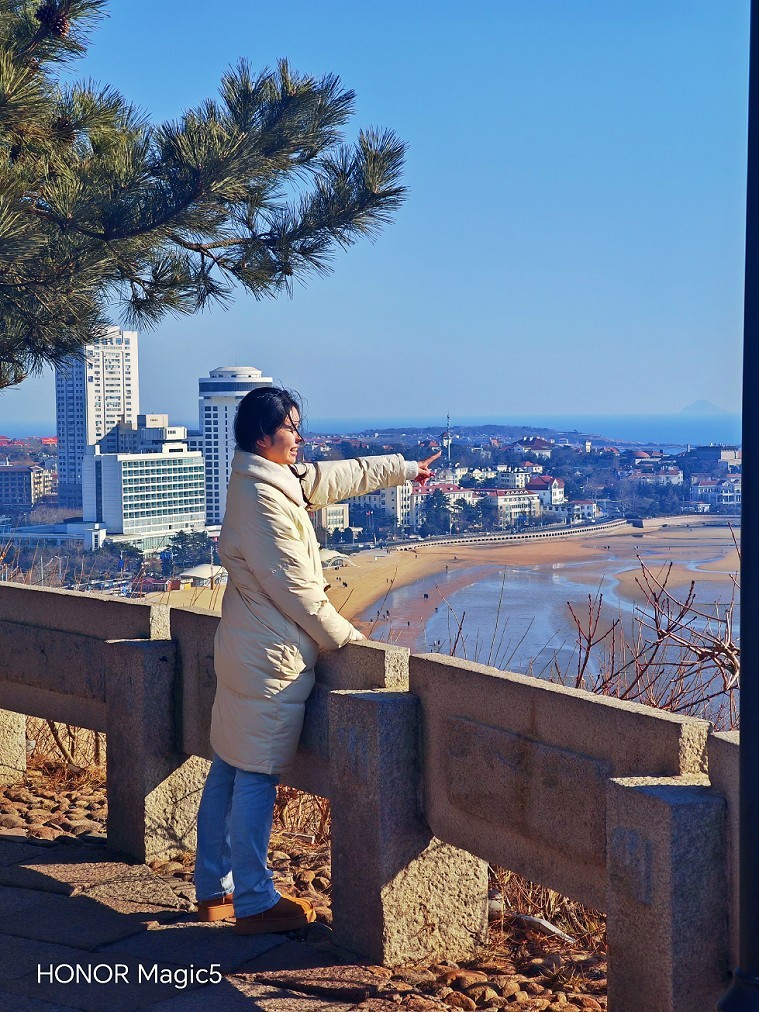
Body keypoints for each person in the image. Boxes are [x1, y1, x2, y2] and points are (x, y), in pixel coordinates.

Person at [194, 387, 439, 935]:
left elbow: (340, 476)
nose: (300, 439)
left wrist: (404, 468)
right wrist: (346, 639)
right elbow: (299, 591)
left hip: (247, 645)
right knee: (254, 774)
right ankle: (254, 902)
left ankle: (213, 889)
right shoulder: (263, 500)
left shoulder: (269, 479)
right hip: (270, 657)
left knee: (229, 765)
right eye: (291, 429)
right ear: (264, 436)